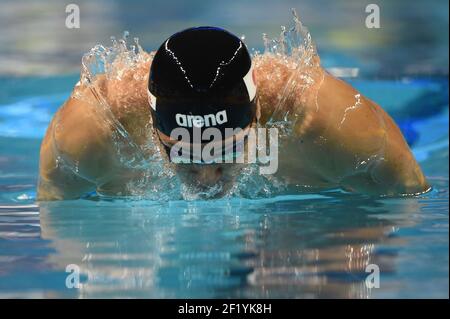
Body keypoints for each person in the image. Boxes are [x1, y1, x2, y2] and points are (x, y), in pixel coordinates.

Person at [38, 26, 430, 200]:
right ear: (153, 126)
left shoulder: (335, 124)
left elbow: (408, 201)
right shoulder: (89, 131)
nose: (208, 179)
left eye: (226, 153)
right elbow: (62, 225)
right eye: (185, 158)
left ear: (257, 116)